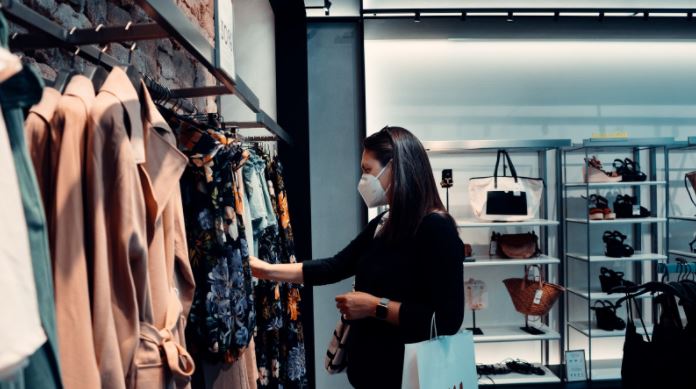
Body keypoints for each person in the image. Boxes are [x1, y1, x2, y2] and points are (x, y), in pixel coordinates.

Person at [250, 126, 464, 388]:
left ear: (395, 168)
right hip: (371, 374)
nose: (363, 179)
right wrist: (265, 270)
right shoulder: (384, 223)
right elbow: (334, 266)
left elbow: (447, 319)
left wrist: (375, 306)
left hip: (410, 378)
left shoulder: (435, 228)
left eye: (367, 169)